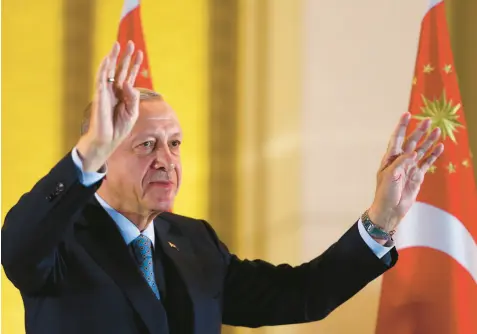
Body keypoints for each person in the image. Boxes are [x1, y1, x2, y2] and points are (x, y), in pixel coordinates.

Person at [1, 41, 444, 334]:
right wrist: (88, 153)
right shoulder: (58, 240)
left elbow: (300, 295)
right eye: (146, 145)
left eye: (175, 144)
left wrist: (382, 220)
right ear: (104, 151)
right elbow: (18, 242)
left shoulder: (193, 241)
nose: (166, 159)